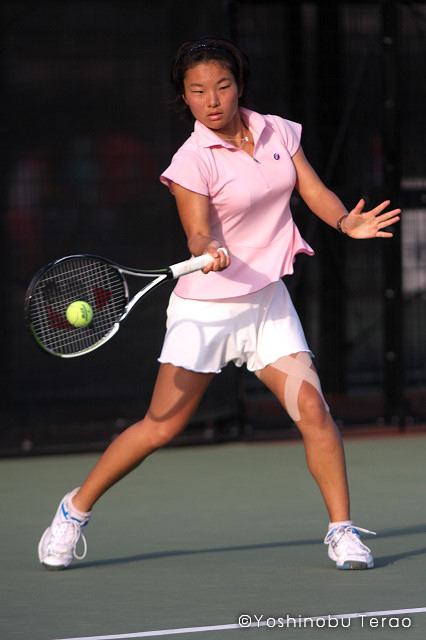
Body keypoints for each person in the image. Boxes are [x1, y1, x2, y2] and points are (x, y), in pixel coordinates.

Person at [38, 36, 400, 571]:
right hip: (206, 313)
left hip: (267, 302)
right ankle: (74, 510)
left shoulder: (277, 130)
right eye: (197, 90)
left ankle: (342, 531)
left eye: (222, 86)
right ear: (183, 96)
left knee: (314, 412)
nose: (212, 100)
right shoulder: (191, 160)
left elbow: (312, 190)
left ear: (239, 85)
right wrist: (207, 248)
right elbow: (196, 230)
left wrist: (345, 221)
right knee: (160, 426)